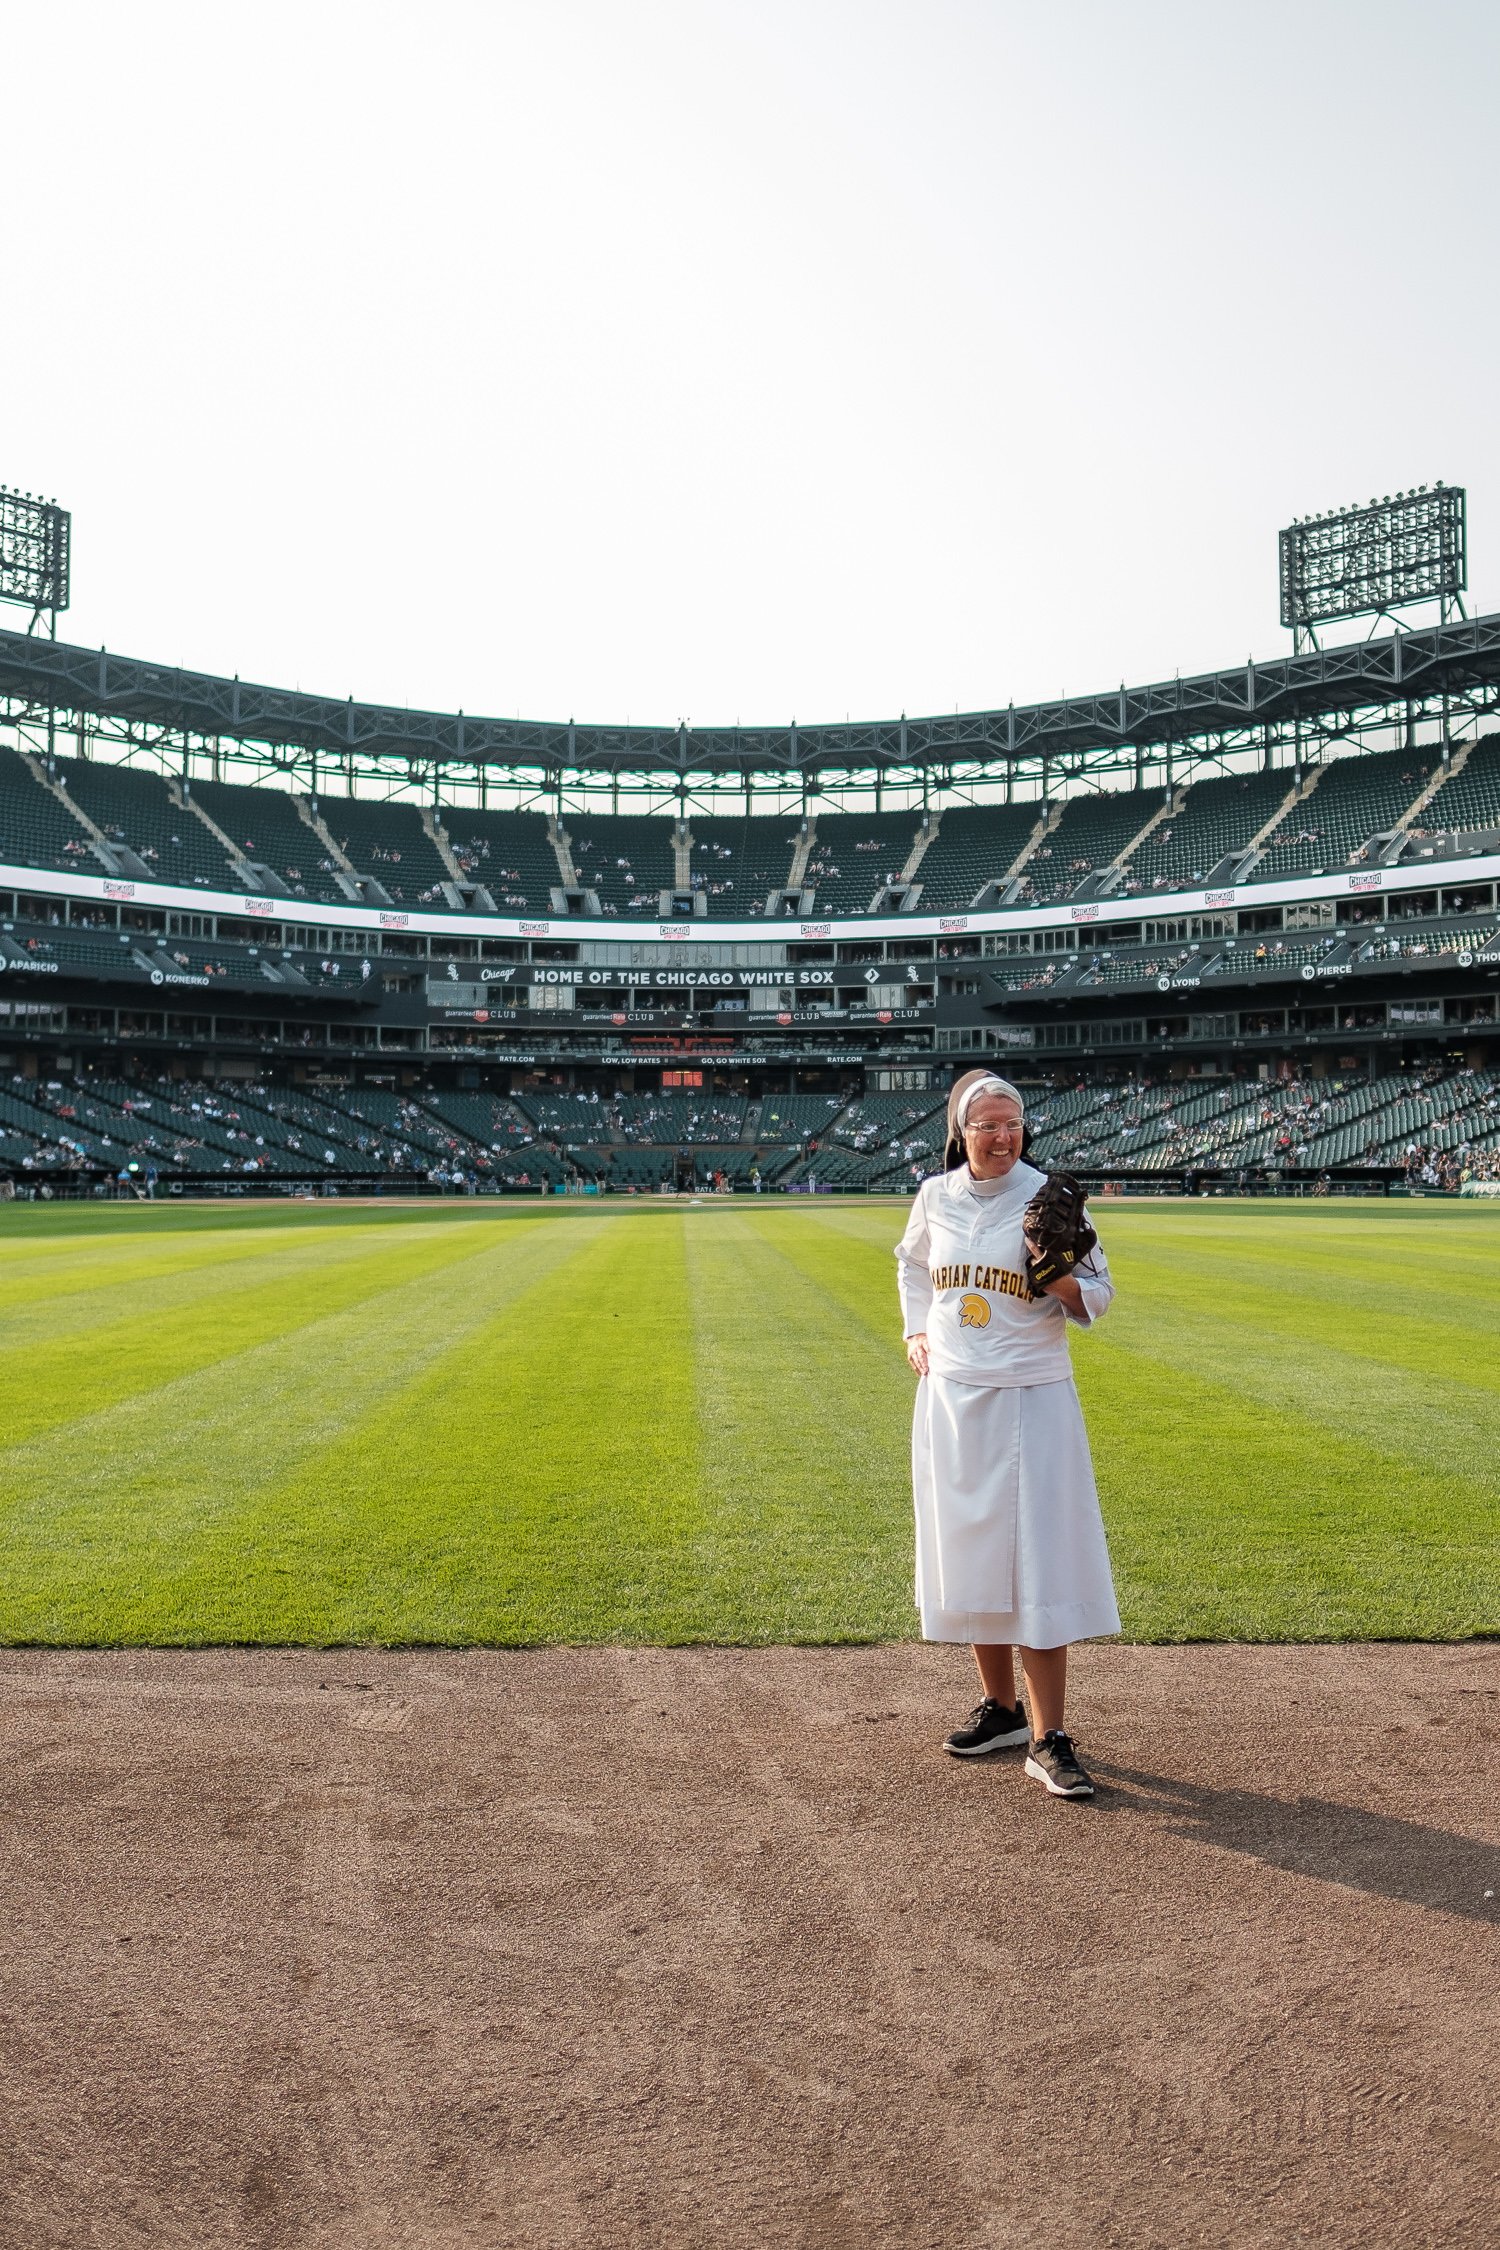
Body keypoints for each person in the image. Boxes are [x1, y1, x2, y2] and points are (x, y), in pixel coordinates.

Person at [894, 1071, 1119, 1799]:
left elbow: (1099, 1297)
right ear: (962, 1131)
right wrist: (914, 1332)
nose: (1002, 1136)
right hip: (953, 1399)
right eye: (987, 1124)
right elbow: (913, 1267)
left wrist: (1058, 1280)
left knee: (1038, 1565)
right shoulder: (936, 1196)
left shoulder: (1046, 1196)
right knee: (975, 1555)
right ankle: (1002, 1711)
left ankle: (1051, 1736)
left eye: (1013, 1122)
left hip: (1031, 1399)